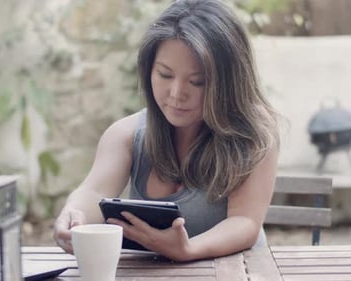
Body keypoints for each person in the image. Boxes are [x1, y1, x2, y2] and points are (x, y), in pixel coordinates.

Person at [53, 0, 280, 262]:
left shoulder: (253, 137)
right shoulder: (127, 135)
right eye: (165, 75)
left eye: (197, 81)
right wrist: (74, 212)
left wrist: (187, 250)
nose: (176, 94)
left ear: (227, 84)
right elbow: (93, 192)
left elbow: (244, 222)